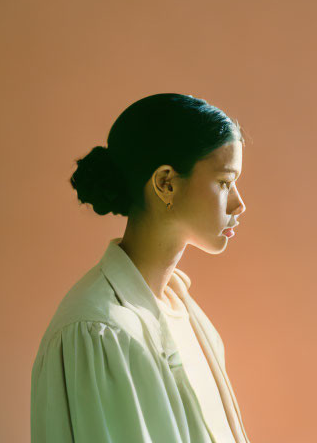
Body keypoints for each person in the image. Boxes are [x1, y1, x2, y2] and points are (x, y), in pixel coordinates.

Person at [31, 93, 251, 443]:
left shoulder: (184, 310)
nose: (239, 203)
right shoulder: (99, 330)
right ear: (166, 183)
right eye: (224, 182)